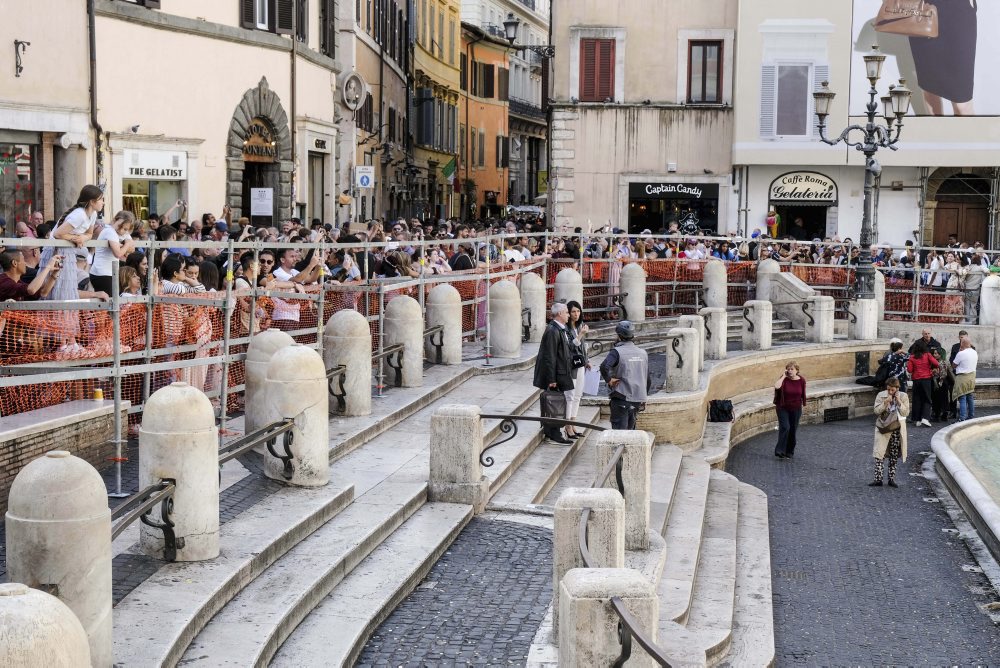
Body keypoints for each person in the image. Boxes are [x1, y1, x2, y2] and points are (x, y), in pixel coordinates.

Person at [907, 0, 978, 116]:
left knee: (962, 103)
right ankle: (937, 133)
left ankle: (968, 134)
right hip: (923, 10)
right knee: (929, 88)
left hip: (958, 10)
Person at [533, 302, 575, 444]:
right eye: (566, 312)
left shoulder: (559, 329)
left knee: (556, 401)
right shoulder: (553, 330)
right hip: (556, 374)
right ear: (559, 314)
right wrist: (551, 379)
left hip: (560, 372)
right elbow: (550, 356)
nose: (568, 315)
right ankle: (554, 432)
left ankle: (551, 430)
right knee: (556, 402)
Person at [599, 320, 650, 430]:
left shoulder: (616, 352)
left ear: (619, 335)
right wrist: (644, 396)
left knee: (619, 433)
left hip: (621, 397)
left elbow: (604, 366)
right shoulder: (643, 353)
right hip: (637, 399)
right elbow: (648, 379)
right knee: (630, 433)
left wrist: (609, 380)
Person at [870, 378, 909, 488]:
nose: (890, 392)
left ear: (897, 389)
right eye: (888, 390)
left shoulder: (903, 396)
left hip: (897, 429)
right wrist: (886, 402)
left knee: (894, 455)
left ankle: (891, 479)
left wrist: (899, 402)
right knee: (879, 453)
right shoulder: (881, 395)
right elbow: (876, 411)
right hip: (883, 427)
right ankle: (878, 479)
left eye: (892, 390)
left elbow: (906, 412)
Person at [89, 210, 137, 295]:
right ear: (114, 220)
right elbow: (118, 254)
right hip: (102, 274)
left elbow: (132, 248)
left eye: (125, 229)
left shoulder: (122, 233)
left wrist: (122, 246)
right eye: (119, 226)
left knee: (112, 303)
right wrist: (126, 245)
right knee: (109, 304)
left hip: (109, 273)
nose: (121, 230)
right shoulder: (109, 231)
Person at [563, 301, 590, 439]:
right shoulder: (566, 330)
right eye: (573, 312)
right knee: (570, 395)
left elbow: (583, 347)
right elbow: (569, 347)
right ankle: (567, 425)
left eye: (578, 311)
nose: (576, 314)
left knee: (578, 395)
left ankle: (573, 423)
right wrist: (580, 335)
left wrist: (587, 360)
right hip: (570, 366)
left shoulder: (579, 326)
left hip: (580, 365)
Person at [773, 361, 806, 459]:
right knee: (785, 427)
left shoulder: (801, 380)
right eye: (788, 369)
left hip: (796, 408)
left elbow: (802, 393)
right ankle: (780, 451)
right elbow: (776, 386)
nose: (790, 371)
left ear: (797, 370)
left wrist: (803, 404)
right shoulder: (784, 379)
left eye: (792, 369)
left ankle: (789, 451)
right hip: (782, 407)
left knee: (792, 430)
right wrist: (783, 376)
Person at [907, 339, 939, 427]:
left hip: (916, 380)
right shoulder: (927, 355)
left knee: (917, 400)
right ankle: (925, 418)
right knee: (927, 399)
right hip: (926, 379)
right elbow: (936, 363)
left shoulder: (912, 357)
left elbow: (909, 370)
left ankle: (917, 419)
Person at [953, 336, 978, 421]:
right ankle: (971, 415)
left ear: (962, 343)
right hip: (972, 377)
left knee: (962, 397)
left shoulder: (961, 353)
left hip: (962, 377)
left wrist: (959, 351)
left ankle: (962, 417)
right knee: (970, 397)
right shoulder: (974, 352)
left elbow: (954, 365)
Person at [930, 347, 955, 422]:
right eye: (934, 353)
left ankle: (938, 415)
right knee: (942, 399)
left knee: (938, 399)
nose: (934, 355)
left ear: (940, 354)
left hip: (939, 382)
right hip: (943, 382)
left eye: (936, 353)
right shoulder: (945, 362)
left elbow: (949, 373)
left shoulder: (934, 362)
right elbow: (950, 372)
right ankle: (943, 415)